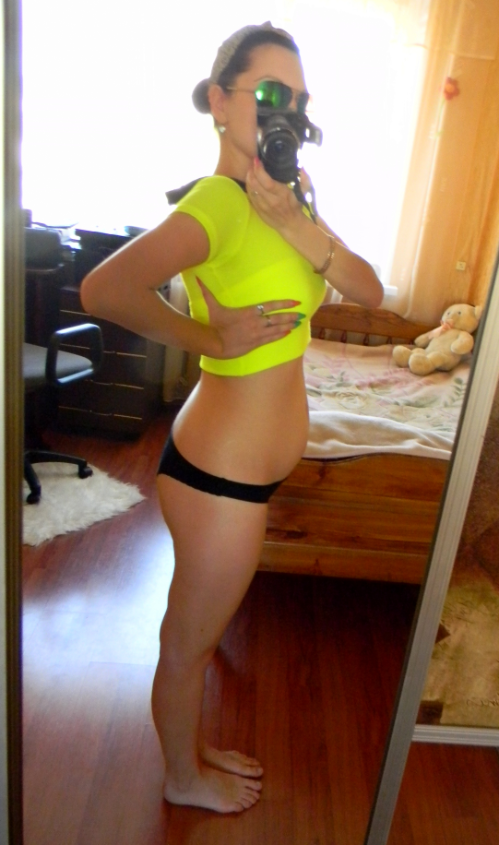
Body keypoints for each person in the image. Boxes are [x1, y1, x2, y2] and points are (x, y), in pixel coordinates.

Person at [81, 21, 383, 814]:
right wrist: (209, 338)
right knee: (188, 642)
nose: (287, 112)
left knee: (199, 634)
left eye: (299, 100)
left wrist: (294, 222)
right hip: (218, 477)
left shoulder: (294, 198)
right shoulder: (215, 202)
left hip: (238, 473)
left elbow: (369, 290)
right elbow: (104, 290)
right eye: (270, 92)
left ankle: (190, 750)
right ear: (220, 102)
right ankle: (181, 777)